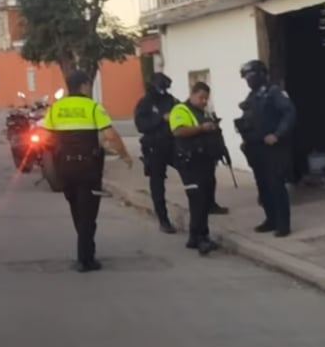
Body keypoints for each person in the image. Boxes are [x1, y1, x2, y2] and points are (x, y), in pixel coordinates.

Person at [42, 70, 134, 273]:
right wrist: (124, 155)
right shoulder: (93, 107)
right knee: (89, 214)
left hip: (65, 168)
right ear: (84, 85)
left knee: (76, 209)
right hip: (88, 169)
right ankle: (85, 259)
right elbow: (111, 135)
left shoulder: (56, 108)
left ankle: (85, 251)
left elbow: (46, 138)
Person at [236, 59, 297, 237]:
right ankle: (270, 219)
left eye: (251, 75)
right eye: (246, 77)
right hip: (256, 148)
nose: (248, 79)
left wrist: (277, 134)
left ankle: (283, 225)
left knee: (276, 184)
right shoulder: (252, 96)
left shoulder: (274, 92)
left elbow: (289, 113)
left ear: (261, 74)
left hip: (273, 147)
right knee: (263, 186)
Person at [170, 82, 223, 255]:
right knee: (197, 200)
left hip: (204, 161)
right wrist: (202, 128)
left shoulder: (202, 112)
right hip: (190, 162)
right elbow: (179, 131)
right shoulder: (180, 110)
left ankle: (197, 236)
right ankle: (200, 238)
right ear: (192, 94)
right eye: (201, 97)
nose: (203, 101)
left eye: (206, 98)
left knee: (205, 199)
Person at [134, 72, 179, 233]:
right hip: (154, 147)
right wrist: (160, 118)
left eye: (166, 87)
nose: (163, 90)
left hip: (172, 144)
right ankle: (163, 219)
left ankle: (207, 205)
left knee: (192, 173)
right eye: (161, 87)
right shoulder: (145, 103)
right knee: (157, 184)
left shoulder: (171, 100)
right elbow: (141, 125)